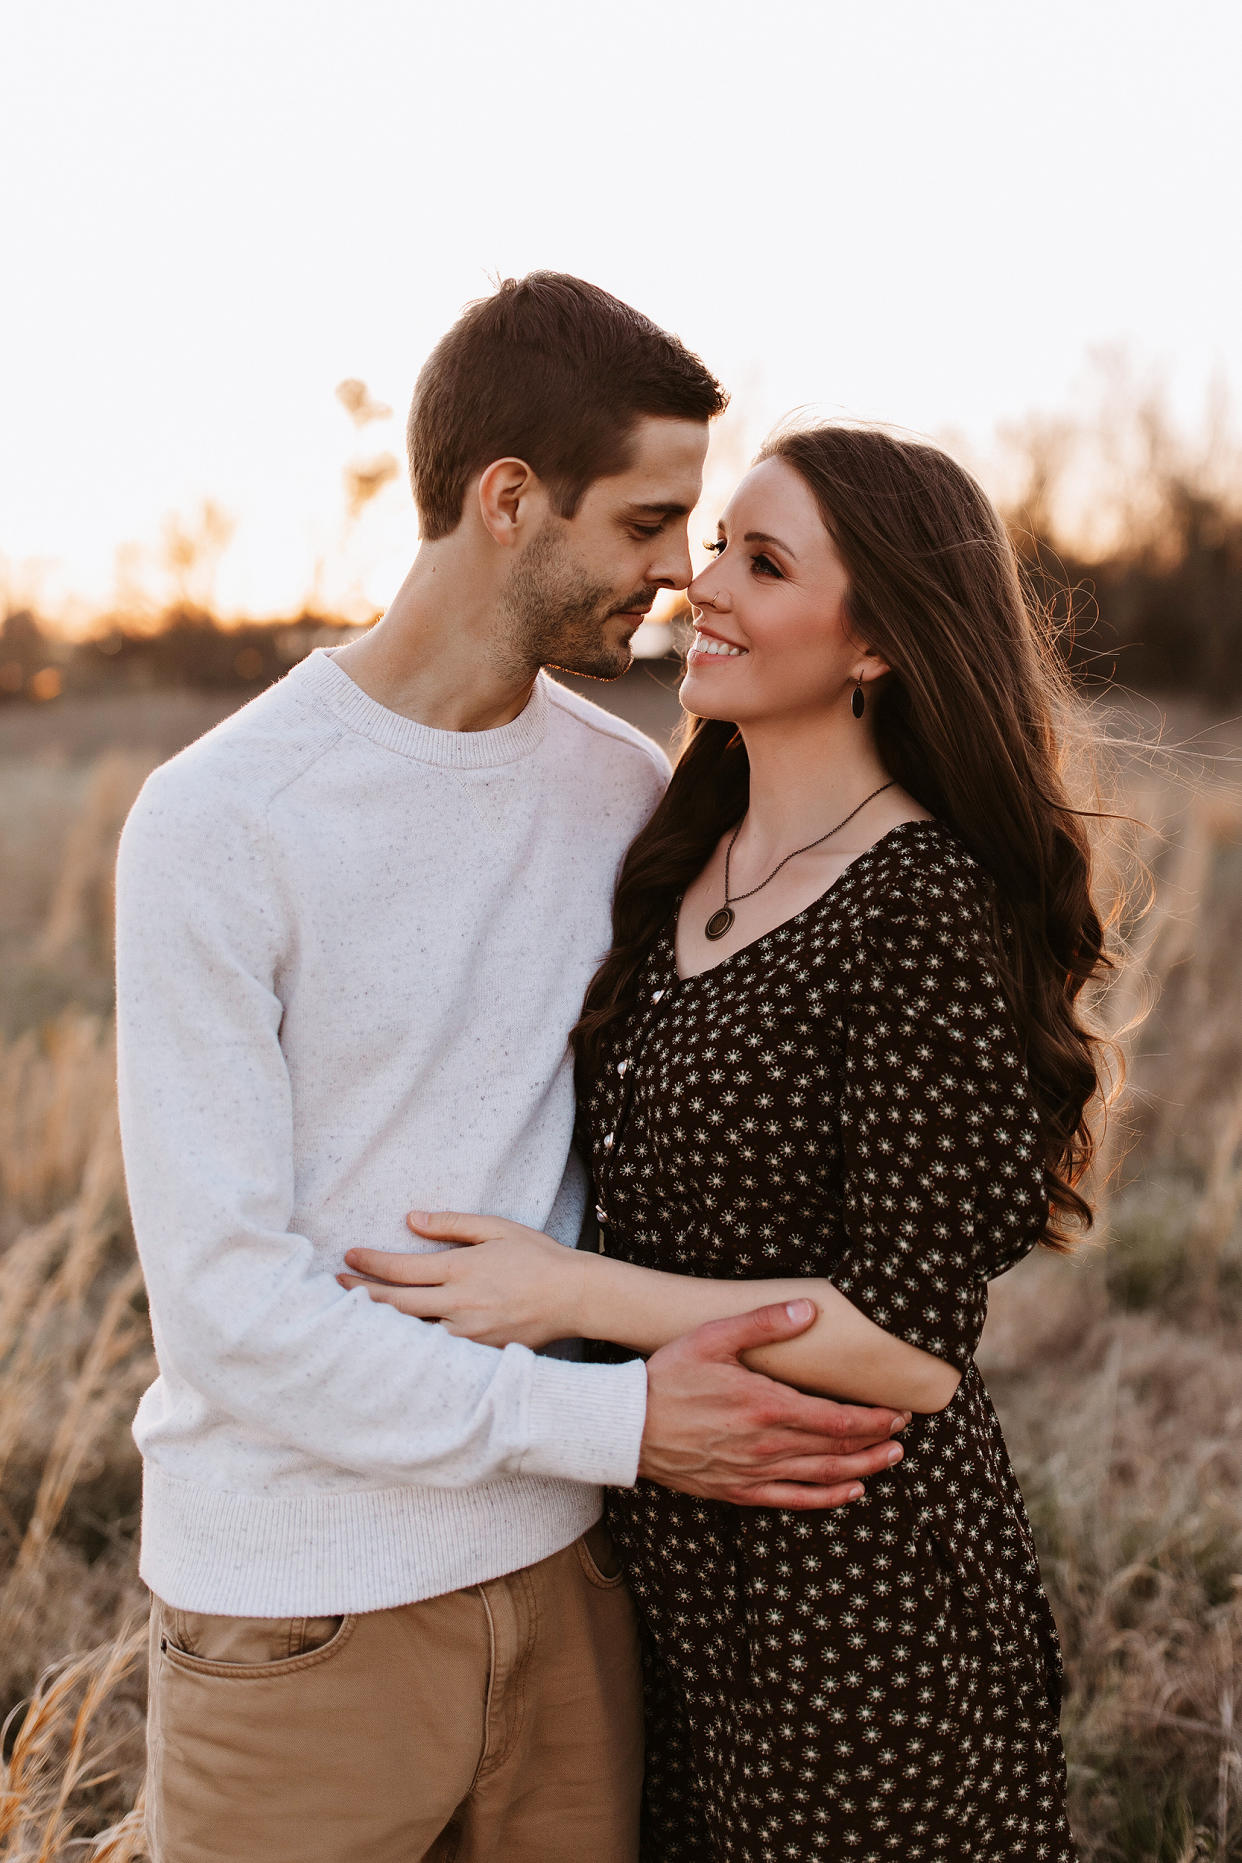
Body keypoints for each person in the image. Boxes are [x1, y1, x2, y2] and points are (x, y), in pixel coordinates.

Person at [115, 277, 911, 1863]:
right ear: (505, 502)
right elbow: (227, 1309)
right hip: (301, 1610)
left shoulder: (624, 791)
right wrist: (613, 1428)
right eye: (647, 524)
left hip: (569, 1591)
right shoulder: (221, 821)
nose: (678, 581)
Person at [345, 423, 1110, 1860]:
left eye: (763, 562)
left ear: (877, 640)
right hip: (665, 1555)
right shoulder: (671, 855)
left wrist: (563, 1293)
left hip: (850, 1584)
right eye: (712, 549)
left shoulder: (916, 903)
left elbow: (906, 1346)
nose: (707, 587)